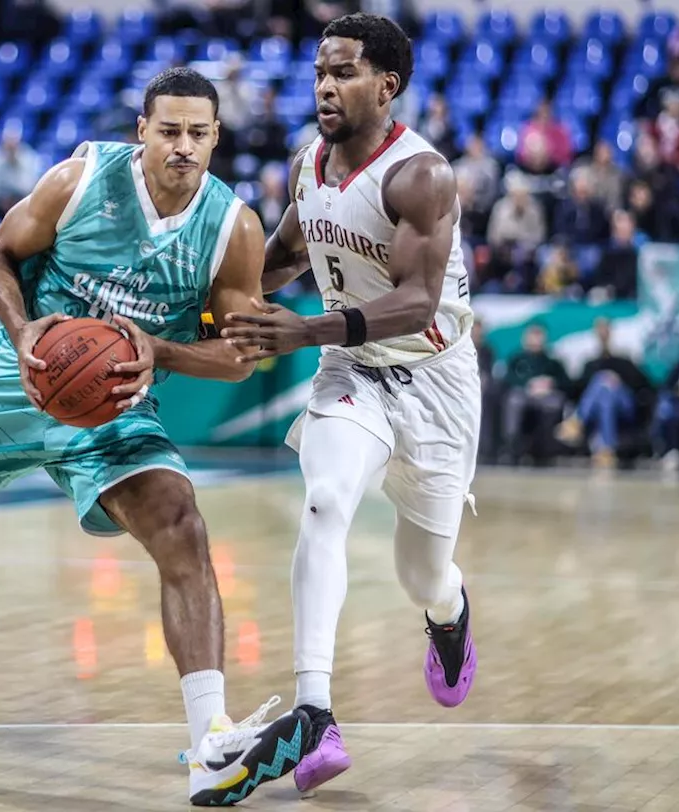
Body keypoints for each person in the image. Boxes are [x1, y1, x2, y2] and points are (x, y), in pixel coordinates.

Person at [0, 67, 313, 807]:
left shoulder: (232, 226)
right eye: (169, 130)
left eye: (198, 133)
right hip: (16, 383)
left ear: (216, 138)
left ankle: (210, 744)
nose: (183, 146)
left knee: (180, 525)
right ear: (142, 130)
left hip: (114, 403)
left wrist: (156, 353)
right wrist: (24, 329)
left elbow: (239, 355)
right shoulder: (80, 178)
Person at [219, 13, 479, 793]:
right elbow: (287, 258)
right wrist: (214, 300)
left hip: (434, 379)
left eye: (344, 74)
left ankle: (449, 610)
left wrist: (304, 330)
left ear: (387, 86)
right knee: (326, 502)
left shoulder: (421, 176)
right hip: (352, 365)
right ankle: (314, 712)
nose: (325, 88)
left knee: (420, 575)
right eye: (319, 74)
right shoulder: (311, 164)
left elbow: (418, 302)